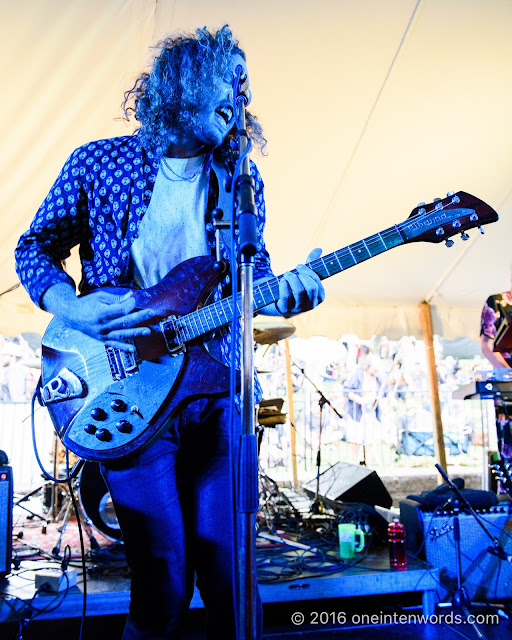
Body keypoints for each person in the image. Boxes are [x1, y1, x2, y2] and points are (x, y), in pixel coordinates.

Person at [14, 26, 325, 640]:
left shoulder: (239, 181)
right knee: (164, 578)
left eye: (245, 84)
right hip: (128, 390)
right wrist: (72, 310)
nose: (242, 93)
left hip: (217, 395)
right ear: (182, 87)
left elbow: (250, 271)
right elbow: (34, 248)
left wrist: (288, 289)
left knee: (232, 577)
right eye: (229, 78)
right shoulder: (99, 163)